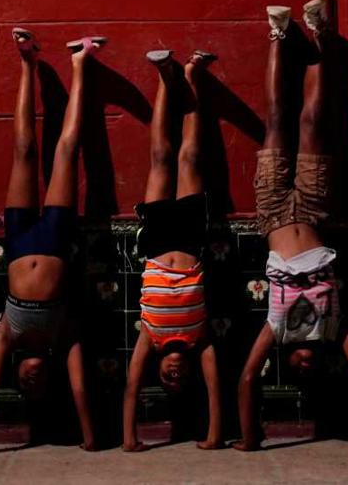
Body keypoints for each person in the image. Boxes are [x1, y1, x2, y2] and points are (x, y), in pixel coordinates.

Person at [234, 0, 348, 451]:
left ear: (284, 360)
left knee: (276, 121)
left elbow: (245, 378)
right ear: (317, 361)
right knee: (312, 121)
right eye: (307, 369)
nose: (301, 366)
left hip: (272, 210)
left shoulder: (278, 325)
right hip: (315, 209)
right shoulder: (332, 326)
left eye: (293, 369)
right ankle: (321, 37)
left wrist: (250, 439)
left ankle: (277, 34)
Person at [0, 30, 99, 455]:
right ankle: (79, 65)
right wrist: (90, 439)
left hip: (19, 242)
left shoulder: (8, 335)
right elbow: (80, 391)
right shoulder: (63, 338)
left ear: (17, 372)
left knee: (23, 148)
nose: (31, 381)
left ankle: (27, 64)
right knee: (67, 150)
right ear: (48, 373)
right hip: (55, 240)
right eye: (39, 384)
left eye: (24, 383)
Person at [122, 49, 225, 452]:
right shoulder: (201, 342)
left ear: (158, 371)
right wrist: (214, 436)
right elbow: (217, 391)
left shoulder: (150, 337)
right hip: (191, 240)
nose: (175, 374)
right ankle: (193, 76)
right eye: (181, 379)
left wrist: (129, 439)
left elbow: (131, 387)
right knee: (189, 156)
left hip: (158, 243)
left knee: (162, 156)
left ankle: (166, 78)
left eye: (168, 378)